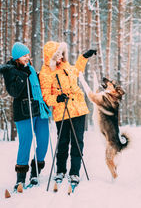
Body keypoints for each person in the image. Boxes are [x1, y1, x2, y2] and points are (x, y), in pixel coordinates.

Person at [39, 41, 96, 187]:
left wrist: (83, 57)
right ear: (50, 57)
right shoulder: (46, 72)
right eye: (57, 57)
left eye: (61, 55)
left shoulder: (66, 66)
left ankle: (74, 172)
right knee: (63, 142)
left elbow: (77, 71)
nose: (60, 59)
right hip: (61, 111)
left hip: (78, 108)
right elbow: (46, 96)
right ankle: (60, 170)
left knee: (78, 141)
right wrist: (57, 98)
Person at [0, 42, 52, 191]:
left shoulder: (31, 70)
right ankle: (20, 178)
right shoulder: (10, 71)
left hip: (39, 110)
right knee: (26, 143)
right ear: (16, 57)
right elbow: (14, 92)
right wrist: (23, 75)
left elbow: (38, 87)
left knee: (43, 141)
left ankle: (35, 171)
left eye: (28, 55)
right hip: (23, 112)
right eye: (24, 56)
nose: (27, 58)